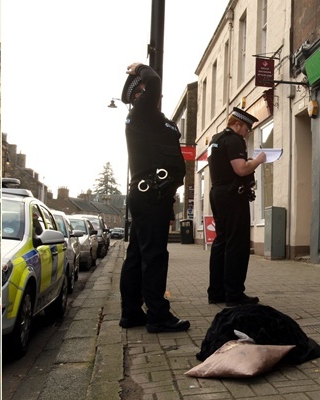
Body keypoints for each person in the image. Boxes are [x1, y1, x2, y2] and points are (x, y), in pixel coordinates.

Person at [118, 62, 189, 333]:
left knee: (137, 255)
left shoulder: (148, 119)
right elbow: (154, 81)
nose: (156, 95)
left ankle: (132, 313)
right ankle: (158, 315)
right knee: (155, 256)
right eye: (147, 91)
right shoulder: (141, 113)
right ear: (139, 94)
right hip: (151, 195)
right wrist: (140, 68)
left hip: (150, 194)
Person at [206, 107, 267, 307]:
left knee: (221, 242)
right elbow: (240, 169)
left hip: (218, 193)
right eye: (246, 128)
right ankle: (234, 294)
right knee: (237, 244)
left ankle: (216, 292)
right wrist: (257, 161)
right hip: (233, 196)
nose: (247, 133)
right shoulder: (233, 139)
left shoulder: (216, 139)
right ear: (237, 124)